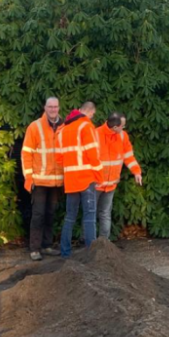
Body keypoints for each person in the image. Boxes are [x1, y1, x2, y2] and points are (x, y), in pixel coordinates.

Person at [20, 96, 64, 261]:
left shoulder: (64, 126)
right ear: (45, 108)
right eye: (50, 107)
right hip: (39, 180)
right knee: (38, 214)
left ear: (59, 108)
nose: (53, 109)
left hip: (56, 180)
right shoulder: (35, 126)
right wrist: (28, 177)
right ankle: (35, 248)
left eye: (55, 107)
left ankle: (46, 245)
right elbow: (26, 153)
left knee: (51, 214)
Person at [56, 101, 101, 258]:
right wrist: (99, 176)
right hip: (86, 178)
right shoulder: (86, 126)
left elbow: (59, 158)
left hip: (71, 180)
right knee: (89, 216)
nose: (92, 117)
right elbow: (93, 154)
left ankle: (65, 253)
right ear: (88, 112)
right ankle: (92, 253)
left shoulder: (63, 130)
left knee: (70, 216)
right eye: (93, 115)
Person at [96, 113, 142, 241]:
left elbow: (128, 157)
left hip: (110, 184)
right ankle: (89, 244)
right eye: (122, 126)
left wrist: (136, 172)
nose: (124, 128)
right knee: (91, 214)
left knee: (105, 213)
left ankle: (104, 243)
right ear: (115, 127)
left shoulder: (122, 136)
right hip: (95, 183)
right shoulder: (96, 134)